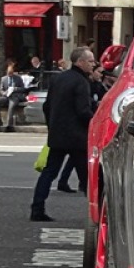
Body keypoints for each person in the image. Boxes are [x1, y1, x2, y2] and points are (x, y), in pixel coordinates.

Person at [30, 47, 95, 221]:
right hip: (77, 137)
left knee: (49, 172)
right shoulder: (81, 82)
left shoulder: (58, 79)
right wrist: (95, 123)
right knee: (87, 177)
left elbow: (47, 106)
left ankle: (37, 207)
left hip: (58, 134)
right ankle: (98, 213)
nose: (93, 65)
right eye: (90, 61)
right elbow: (83, 111)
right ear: (80, 62)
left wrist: (51, 126)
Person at [55, 60, 107, 192]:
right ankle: (85, 186)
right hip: (79, 127)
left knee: (73, 158)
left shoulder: (98, 85)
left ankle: (67, 182)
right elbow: (84, 108)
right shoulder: (85, 84)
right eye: (99, 72)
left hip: (75, 129)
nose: (102, 75)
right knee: (77, 157)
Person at [0, 59, 28, 131]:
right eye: (9, 73)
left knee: (11, 107)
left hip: (14, 96)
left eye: (11, 73)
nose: (10, 75)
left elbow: (23, 89)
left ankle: (9, 125)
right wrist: (5, 93)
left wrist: (15, 89)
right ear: (7, 72)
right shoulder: (3, 79)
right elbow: (1, 90)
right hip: (6, 96)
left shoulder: (18, 78)